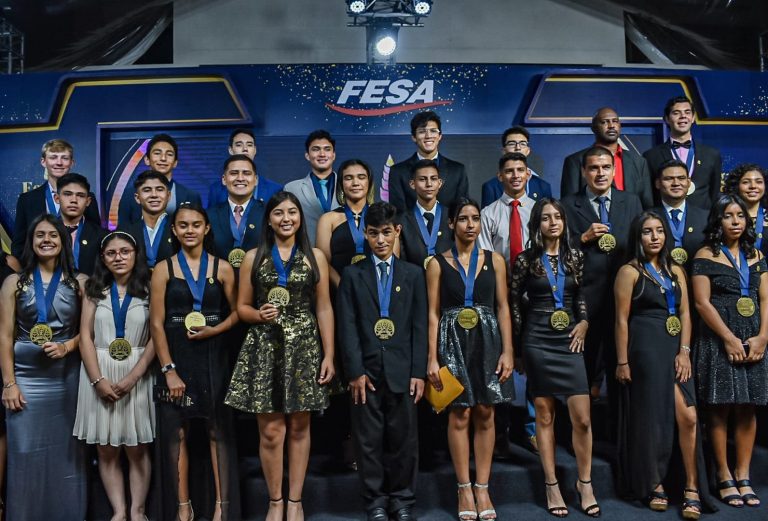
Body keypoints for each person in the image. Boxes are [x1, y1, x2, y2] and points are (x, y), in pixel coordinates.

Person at [225, 191, 335, 521]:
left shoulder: (315, 256)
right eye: (278, 213)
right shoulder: (253, 256)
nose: (286, 218)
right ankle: (275, 500)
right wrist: (258, 314)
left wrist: (329, 354)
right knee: (272, 432)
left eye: (292, 212)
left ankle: (295, 501)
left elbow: (324, 307)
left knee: (300, 427)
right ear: (269, 220)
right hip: (265, 345)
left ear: (300, 217)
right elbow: (242, 308)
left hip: (304, 346)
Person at [614, 211, 710, 519]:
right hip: (645, 348)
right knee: (652, 417)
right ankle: (654, 482)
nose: (654, 237)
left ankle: (692, 487)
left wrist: (685, 351)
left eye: (659, 230)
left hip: (675, 347)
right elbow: (621, 320)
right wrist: (622, 361)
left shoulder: (677, 269)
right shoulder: (629, 271)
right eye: (647, 231)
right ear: (638, 236)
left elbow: (685, 314)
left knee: (689, 417)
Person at [149, 202, 240, 521]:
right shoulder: (163, 269)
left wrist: (216, 329)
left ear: (206, 228)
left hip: (214, 356)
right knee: (176, 433)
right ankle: (182, 507)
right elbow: (156, 324)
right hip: (176, 357)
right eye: (183, 225)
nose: (190, 230)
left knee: (218, 432)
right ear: (174, 230)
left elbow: (238, 313)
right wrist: (169, 370)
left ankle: (221, 508)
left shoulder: (223, 268)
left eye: (196, 224)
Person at [426, 198, 515, 521]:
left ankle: (483, 487)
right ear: (451, 224)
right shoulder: (437, 263)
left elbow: (503, 307)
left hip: (488, 341)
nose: (470, 224)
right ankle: (463, 487)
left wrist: (508, 350)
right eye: (463, 219)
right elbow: (432, 314)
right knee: (460, 413)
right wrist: (432, 358)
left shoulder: (495, 260)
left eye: (475, 218)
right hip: (452, 342)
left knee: (486, 412)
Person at [337, 201, 427, 521]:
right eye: (374, 233)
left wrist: (418, 372)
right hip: (366, 373)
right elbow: (347, 326)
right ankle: (375, 500)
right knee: (368, 441)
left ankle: (402, 499)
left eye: (386, 232)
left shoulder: (414, 274)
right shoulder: (352, 274)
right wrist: (354, 371)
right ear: (365, 233)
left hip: (403, 370)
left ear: (397, 231)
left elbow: (420, 326)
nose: (380, 240)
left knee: (405, 440)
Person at [510, 198, 597, 518]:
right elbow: (514, 302)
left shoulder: (576, 256)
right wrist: (519, 348)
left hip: (570, 341)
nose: (553, 222)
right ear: (537, 224)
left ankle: (585, 483)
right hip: (538, 340)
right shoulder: (525, 260)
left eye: (557, 216)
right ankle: (551, 484)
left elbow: (580, 295)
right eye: (546, 218)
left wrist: (584, 321)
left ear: (564, 221)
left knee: (582, 418)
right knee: (544, 417)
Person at [0, 214, 87, 520]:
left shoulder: (80, 282)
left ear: (63, 240)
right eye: (40, 235)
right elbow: (5, 335)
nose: (46, 240)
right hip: (24, 379)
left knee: (67, 455)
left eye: (53, 234)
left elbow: (90, 333)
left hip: (67, 379)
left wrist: (67, 346)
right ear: (31, 241)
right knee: (24, 453)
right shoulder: (13, 282)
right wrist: (9, 384)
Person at [73, 231, 156, 521]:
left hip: (137, 373)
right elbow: (85, 336)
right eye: (111, 253)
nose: (118, 258)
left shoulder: (149, 287)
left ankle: (137, 510)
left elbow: (156, 336)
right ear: (103, 258)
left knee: (136, 446)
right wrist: (97, 381)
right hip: (99, 372)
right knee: (106, 448)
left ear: (136, 255)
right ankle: (119, 512)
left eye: (125, 252)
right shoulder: (94, 289)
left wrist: (134, 377)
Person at [692, 195, 768, 509]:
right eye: (728, 215)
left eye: (740, 215)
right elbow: (701, 303)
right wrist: (728, 338)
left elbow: (765, 300)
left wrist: (763, 337)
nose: (735, 221)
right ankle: (723, 475)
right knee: (720, 407)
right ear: (717, 220)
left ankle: (743, 475)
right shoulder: (705, 254)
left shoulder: (757, 254)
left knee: (748, 407)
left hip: (754, 339)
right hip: (718, 339)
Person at [561, 147, 643, 409]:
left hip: (625, 301)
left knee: (623, 371)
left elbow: (639, 248)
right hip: (584, 301)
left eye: (606, 167)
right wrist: (582, 238)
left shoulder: (631, 201)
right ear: (583, 172)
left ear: (614, 170)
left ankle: (621, 432)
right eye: (594, 168)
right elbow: (557, 250)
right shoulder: (567, 205)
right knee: (582, 373)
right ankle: (581, 431)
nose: (600, 173)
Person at [478, 152, 539, 456]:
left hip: (536, 297)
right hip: (500, 298)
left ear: (528, 175)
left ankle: (533, 429)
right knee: (498, 363)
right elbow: (487, 261)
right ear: (499, 177)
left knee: (535, 363)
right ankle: (499, 431)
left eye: (520, 170)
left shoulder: (541, 211)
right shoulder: (488, 214)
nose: (515, 175)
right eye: (509, 171)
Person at [11, 138, 100, 260]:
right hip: (40, 268)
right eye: (53, 157)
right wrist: (30, 269)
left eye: (65, 158)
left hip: (79, 266)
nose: (59, 163)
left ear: (72, 163)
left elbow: (96, 236)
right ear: (43, 162)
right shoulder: (27, 200)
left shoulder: (88, 197)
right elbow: (19, 245)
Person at [561, 107, 653, 209]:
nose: (611, 126)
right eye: (604, 122)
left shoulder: (639, 162)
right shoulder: (575, 161)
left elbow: (647, 205)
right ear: (593, 128)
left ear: (620, 126)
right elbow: (569, 206)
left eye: (615, 121)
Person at [644, 96, 723, 210]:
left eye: (687, 112)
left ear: (693, 118)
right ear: (667, 119)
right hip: (665, 217)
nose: (683, 116)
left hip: (702, 217)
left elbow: (714, 194)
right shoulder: (651, 156)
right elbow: (650, 196)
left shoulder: (711, 154)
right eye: (676, 113)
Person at [388, 111, 469, 213]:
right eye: (422, 132)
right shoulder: (398, 171)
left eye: (433, 131)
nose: (428, 136)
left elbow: (461, 211)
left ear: (440, 136)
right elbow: (398, 213)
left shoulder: (457, 170)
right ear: (414, 137)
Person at [316, 159, 376, 288]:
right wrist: (342, 287)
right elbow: (323, 262)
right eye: (348, 178)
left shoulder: (382, 216)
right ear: (341, 184)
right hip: (339, 290)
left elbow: (393, 258)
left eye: (361, 177)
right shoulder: (328, 219)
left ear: (369, 182)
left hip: (376, 291)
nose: (355, 183)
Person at [118, 134, 202, 225]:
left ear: (175, 162)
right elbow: (123, 229)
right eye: (157, 153)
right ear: (147, 159)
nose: (163, 158)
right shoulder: (130, 194)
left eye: (169, 154)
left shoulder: (191, 196)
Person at [208, 154, 266, 268]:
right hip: (219, 277)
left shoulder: (268, 213)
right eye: (234, 173)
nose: (240, 178)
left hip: (258, 277)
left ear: (256, 180)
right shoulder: (209, 216)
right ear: (224, 179)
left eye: (246, 173)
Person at [284, 130, 341, 244]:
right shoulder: (291, 189)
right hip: (308, 250)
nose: (322, 154)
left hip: (344, 251)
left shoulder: (348, 186)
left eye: (327, 149)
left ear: (333, 155)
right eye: (316, 149)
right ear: (307, 155)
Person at [653, 159, 708, 269]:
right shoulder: (647, 217)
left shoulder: (706, 217)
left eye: (681, 178)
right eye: (669, 179)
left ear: (688, 182)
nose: (676, 183)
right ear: (658, 183)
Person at [207, 128, 282, 208]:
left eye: (249, 145)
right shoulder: (216, 189)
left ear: (255, 150)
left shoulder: (275, 189)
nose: (245, 149)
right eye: (239, 145)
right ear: (230, 150)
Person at [481, 126, 552, 208]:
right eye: (512, 144)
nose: (518, 148)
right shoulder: (491, 187)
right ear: (503, 150)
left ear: (528, 150)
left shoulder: (543, 186)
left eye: (522, 143)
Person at [119, 170, 175, 269]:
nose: (154, 195)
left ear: (168, 196)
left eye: (159, 189)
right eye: (147, 190)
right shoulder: (125, 232)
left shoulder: (179, 229)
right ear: (137, 198)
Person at [55, 172, 107, 276]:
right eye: (67, 194)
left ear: (88, 201)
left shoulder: (102, 236)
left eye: (80, 195)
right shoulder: (44, 233)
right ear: (57, 198)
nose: (74, 200)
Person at [723, 163, 768, 258]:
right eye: (746, 182)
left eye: (759, 182)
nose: (753, 186)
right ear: (736, 185)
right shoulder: (723, 216)